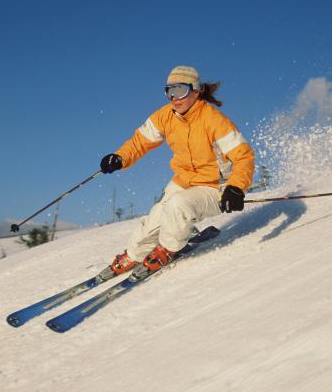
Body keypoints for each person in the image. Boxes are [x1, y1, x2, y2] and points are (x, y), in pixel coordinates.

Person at [98, 65, 255, 278]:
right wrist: (120, 157)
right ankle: (134, 254)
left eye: (180, 90)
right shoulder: (166, 116)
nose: (174, 97)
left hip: (217, 187)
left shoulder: (214, 120)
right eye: (169, 91)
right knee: (152, 223)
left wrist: (236, 187)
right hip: (184, 181)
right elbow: (140, 142)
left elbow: (243, 156)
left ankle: (169, 248)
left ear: (196, 90)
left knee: (178, 206)